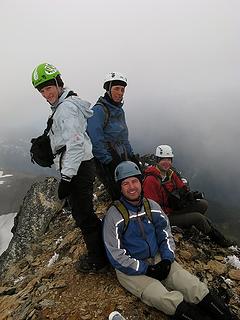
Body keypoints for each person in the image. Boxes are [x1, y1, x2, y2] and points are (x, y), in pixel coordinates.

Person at [103, 161, 236, 320]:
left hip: (158, 256)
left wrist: (166, 259)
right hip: (130, 269)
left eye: (134, 181)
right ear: (120, 187)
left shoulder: (151, 206)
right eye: (126, 183)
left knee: (193, 287)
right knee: (164, 299)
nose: (131, 187)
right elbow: (115, 255)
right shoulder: (114, 215)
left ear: (140, 182)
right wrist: (146, 269)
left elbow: (165, 233)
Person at [31, 63, 108, 272]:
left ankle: (99, 259)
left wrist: (67, 179)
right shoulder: (64, 106)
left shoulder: (66, 109)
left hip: (78, 168)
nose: (46, 94)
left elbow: (74, 145)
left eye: (49, 88)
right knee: (83, 212)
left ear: (58, 84)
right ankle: (102, 251)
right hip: (79, 166)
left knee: (84, 215)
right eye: (42, 90)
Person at [143, 145, 233, 247]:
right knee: (198, 218)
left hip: (173, 209)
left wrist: (191, 195)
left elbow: (182, 189)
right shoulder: (151, 180)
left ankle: (188, 225)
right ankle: (219, 239)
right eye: (163, 159)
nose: (166, 162)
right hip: (165, 217)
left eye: (169, 159)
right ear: (157, 160)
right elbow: (151, 207)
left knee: (203, 204)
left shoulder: (170, 174)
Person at [87, 72, 140, 200]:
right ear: (108, 89)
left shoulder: (119, 111)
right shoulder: (99, 110)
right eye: (116, 88)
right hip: (106, 160)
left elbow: (124, 137)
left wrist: (131, 155)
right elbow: (95, 139)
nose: (120, 92)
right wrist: (108, 161)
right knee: (116, 190)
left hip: (121, 155)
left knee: (130, 189)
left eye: (122, 89)